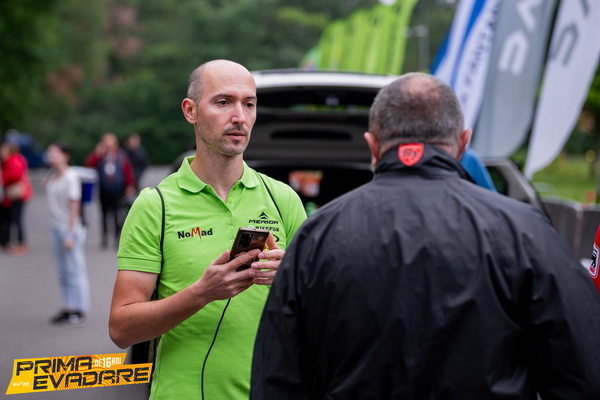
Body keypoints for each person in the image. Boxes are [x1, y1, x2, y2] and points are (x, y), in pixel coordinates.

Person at [251, 73, 600, 399]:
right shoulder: (524, 230)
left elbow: (278, 378)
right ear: (463, 143)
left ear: (373, 146)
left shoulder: (316, 237)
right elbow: (582, 370)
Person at [108, 60, 306, 400]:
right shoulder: (155, 205)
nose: (239, 117)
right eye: (224, 102)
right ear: (191, 111)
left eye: (249, 104)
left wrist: (290, 279)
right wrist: (201, 293)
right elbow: (121, 329)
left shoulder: (283, 198)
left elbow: (322, 314)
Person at [45, 142, 90, 325]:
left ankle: (79, 309)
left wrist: (70, 234)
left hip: (69, 230)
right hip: (56, 228)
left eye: (54, 152)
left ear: (65, 155)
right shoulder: (52, 175)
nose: (51, 156)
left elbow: (74, 207)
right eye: (50, 153)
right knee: (62, 271)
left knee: (74, 270)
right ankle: (69, 306)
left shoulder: (71, 176)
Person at [85, 132, 136, 249]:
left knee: (117, 214)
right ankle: (104, 238)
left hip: (117, 188)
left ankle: (116, 238)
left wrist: (130, 185)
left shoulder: (121, 155)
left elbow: (127, 171)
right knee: (104, 214)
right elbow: (89, 166)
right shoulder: (100, 156)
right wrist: (97, 153)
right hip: (104, 189)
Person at [0, 140, 33, 255]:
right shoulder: (7, 160)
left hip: (17, 194)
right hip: (8, 195)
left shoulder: (13, 160)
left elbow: (16, 175)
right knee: (5, 219)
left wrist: (3, 179)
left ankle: (20, 243)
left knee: (16, 219)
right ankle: (4, 241)